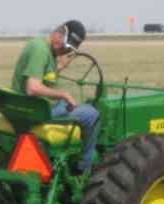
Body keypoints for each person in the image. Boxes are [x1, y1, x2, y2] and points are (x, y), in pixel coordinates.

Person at [10, 20, 100, 173]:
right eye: (66, 45)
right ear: (59, 32)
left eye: (70, 49)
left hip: (30, 107)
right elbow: (32, 88)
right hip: (35, 110)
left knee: (67, 105)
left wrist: (59, 67)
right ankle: (85, 168)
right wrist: (64, 94)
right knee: (92, 114)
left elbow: (43, 77)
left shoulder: (46, 50)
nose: (65, 51)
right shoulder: (40, 50)